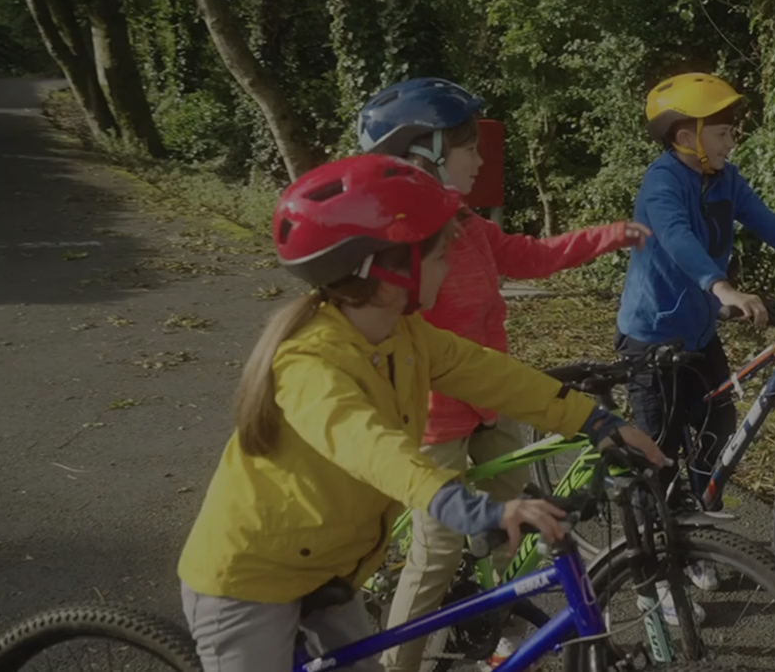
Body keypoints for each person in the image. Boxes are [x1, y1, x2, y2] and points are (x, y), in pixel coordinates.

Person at [177, 155, 666, 672]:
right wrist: (463, 506)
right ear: (386, 269)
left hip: (331, 571)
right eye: (438, 255)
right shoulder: (310, 361)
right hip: (251, 583)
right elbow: (369, 446)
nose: (451, 263)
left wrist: (596, 422)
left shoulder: (404, 335)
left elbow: (496, 375)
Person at [353, 78, 652, 672]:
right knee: (436, 557)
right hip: (436, 419)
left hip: (490, 406)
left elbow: (531, 256)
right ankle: (397, 666)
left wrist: (608, 236)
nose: (482, 159)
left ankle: (503, 631)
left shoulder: (468, 226)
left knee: (509, 537)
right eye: (469, 147)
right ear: (424, 156)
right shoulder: (402, 247)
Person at [618, 72, 775, 585]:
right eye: (722, 131)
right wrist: (723, 288)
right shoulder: (662, 181)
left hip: (700, 334)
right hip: (652, 338)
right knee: (658, 457)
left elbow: (771, 225)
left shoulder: (725, 180)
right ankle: (656, 575)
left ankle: (692, 540)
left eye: (732, 131)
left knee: (716, 432)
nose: (731, 140)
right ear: (685, 136)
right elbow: (676, 238)